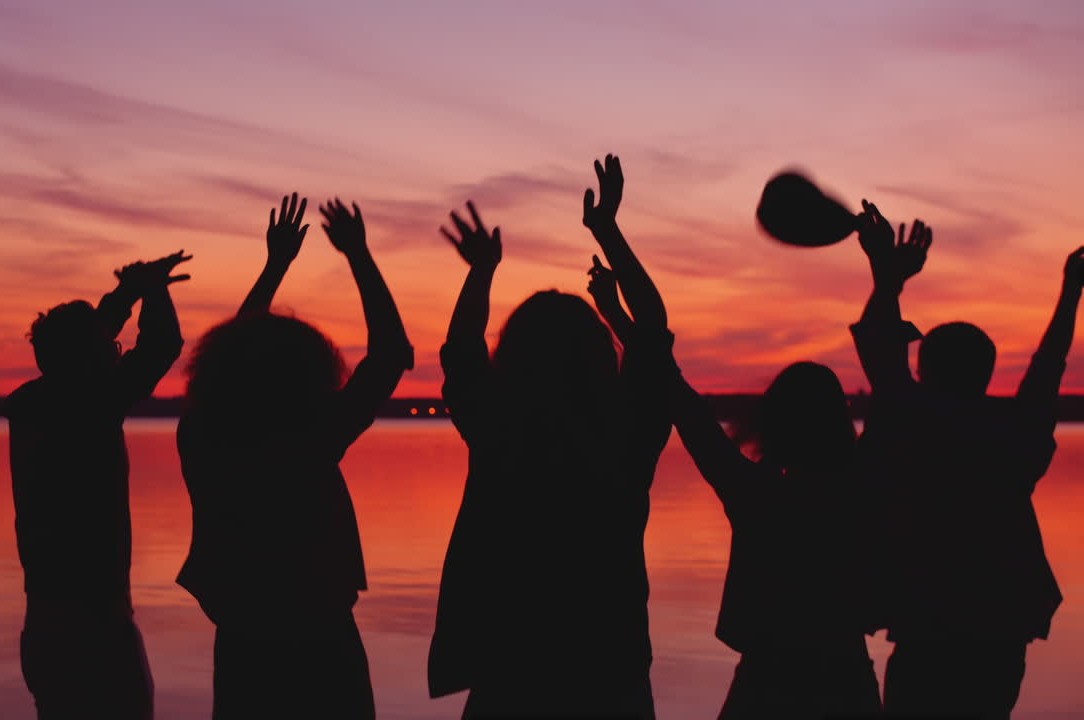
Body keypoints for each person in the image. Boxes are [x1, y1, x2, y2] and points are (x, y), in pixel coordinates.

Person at [428, 155, 671, 719]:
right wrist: (607, 230)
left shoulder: (499, 433)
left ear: (512, 358)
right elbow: (653, 333)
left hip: (511, 676)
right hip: (611, 674)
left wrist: (481, 270)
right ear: (598, 355)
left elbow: (462, 352)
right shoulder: (626, 437)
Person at [589, 258, 881, 716]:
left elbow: (675, 393)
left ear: (774, 422)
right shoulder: (861, 487)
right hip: (845, 677)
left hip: (766, 682)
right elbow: (893, 393)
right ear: (840, 423)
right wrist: (886, 278)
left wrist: (616, 317)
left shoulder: (755, 493)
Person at [177, 194, 413, 719]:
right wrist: (358, 255)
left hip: (242, 641)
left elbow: (233, 358)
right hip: (320, 640)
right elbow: (392, 354)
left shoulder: (200, 434)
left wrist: (274, 267)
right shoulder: (310, 436)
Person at [853, 201, 1077, 719]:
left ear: (925, 372)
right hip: (998, 632)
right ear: (986, 374)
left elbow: (884, 356)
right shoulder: (1012, 433)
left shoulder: (910, 424)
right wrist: (1071, 293)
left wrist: (888, 278)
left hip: (924, 627)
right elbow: (1047, 372)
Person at [6, 250, 191, 719]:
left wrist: (128, 293)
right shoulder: (90, 401)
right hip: (96, 624)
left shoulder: (35, 401)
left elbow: (83, 342)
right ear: (88, 359)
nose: (118, 350)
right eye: (110, 348)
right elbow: (162, 345)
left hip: (44, 622)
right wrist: (152, 289)